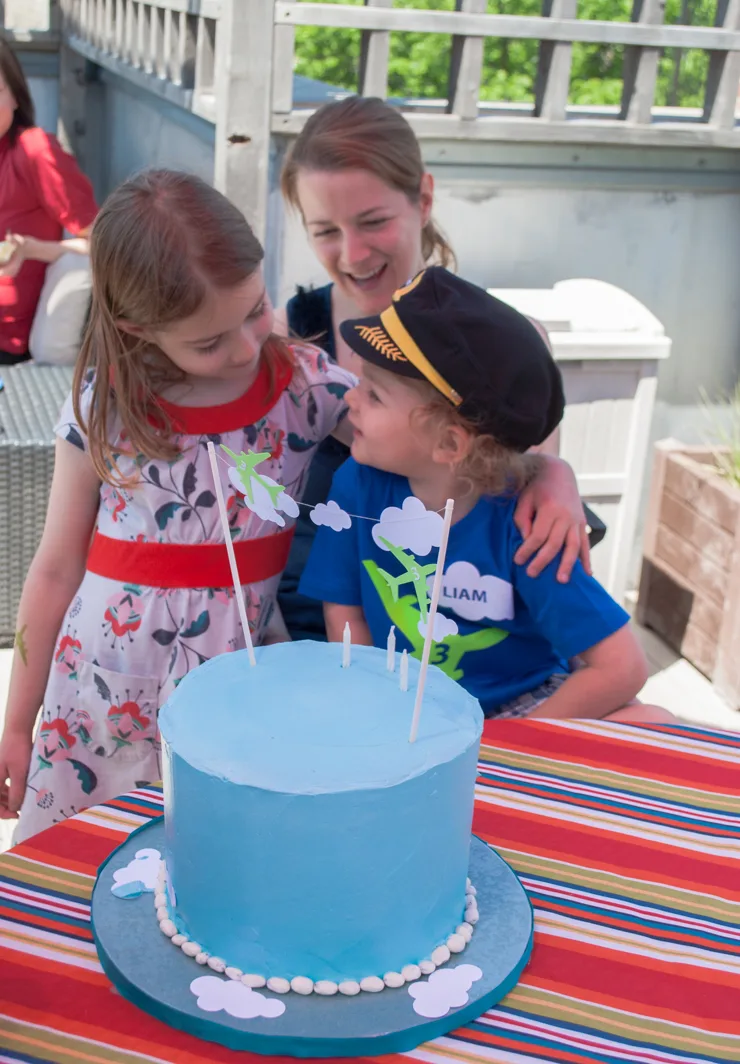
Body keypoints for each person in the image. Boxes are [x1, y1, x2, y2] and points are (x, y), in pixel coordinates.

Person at [0, 170, 354, 841]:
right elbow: (53, 569)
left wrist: (545, 471)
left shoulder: (304, 386)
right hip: (97, 697)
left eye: (255, 309)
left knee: (218, 873)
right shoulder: (103, 406)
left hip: (236, 693)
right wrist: (16, 726)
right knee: (79, 866)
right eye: (209, 342)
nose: (247, 347)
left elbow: (415, 435)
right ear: (139, 328)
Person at [275, 95, 592, 642]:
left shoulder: (505, 348)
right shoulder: (289, 338)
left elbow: (518, 483)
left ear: (422, 200)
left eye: (373, 221)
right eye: (325, 230)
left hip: (447, 646)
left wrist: (556, 474)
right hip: (303, 630)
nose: (351, 254)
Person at [299, 268, 673, 723]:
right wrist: (371, 705)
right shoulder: (355, 483)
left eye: (374, 395)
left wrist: (508, 750)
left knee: (653, 722)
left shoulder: (529, 523)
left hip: (520, 711)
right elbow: (346, 611)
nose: (350, 401)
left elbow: (622, 667)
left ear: (450, 445)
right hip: (397, 703)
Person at [0, 39, 97, 363]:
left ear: (15, 94)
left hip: (9, 342)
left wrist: (29, 249)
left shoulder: (34, 151)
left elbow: (105, 244)